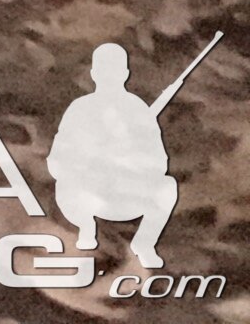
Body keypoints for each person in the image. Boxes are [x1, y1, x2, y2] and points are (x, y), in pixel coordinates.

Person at [49, 44, 180, 272]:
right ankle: (86, 230)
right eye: (103, 71)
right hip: (87, 192)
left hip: (127, 192)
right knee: (67, 187)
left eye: (116, 71)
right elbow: (58, 157)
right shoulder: (80, 108)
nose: (110, 77)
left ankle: (144, 244)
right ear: (94, 74)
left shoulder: (137, 109)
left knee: (167, 187)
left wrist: (130, 160)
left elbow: (159, 161)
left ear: (125, 74)